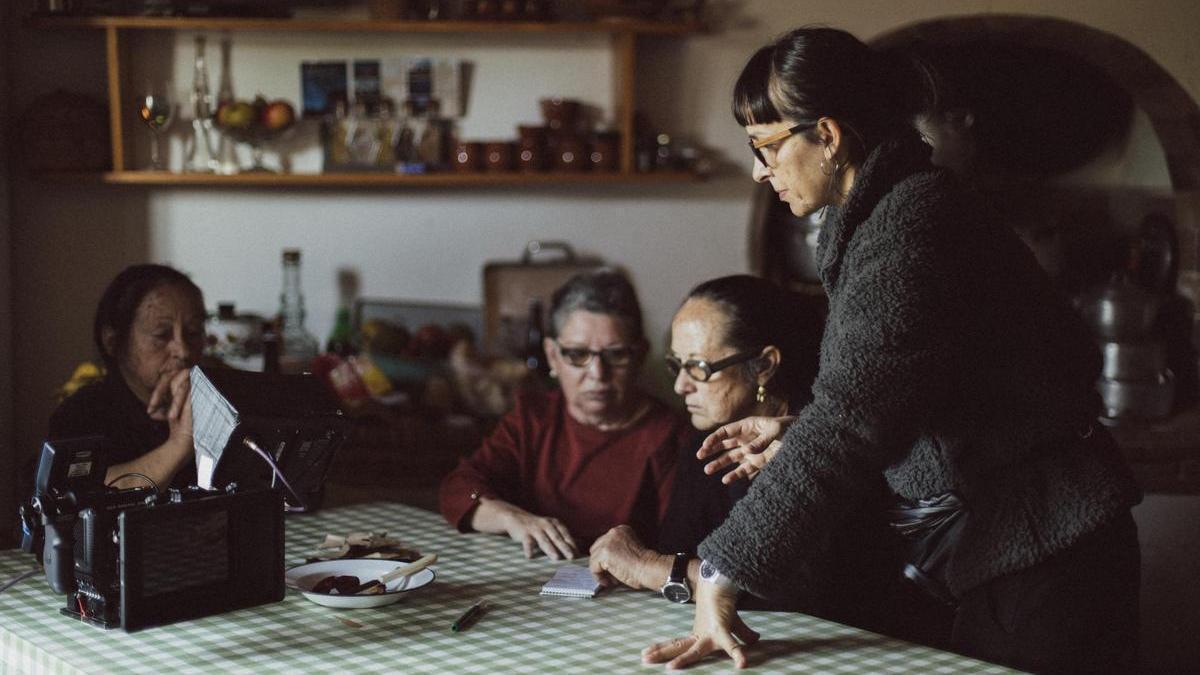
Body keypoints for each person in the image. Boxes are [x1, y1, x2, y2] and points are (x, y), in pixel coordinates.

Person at [640, 27, 1141, 674]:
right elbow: (911, 391)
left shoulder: (908, 231)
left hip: (1050, 545)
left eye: (766, 146)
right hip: (1028, 540)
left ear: (827, 134)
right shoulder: (894, 214)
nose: (760, 171)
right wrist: (800, 430)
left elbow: (852, 420)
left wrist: (721, 568)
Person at [588, 275, 898, 626]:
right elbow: (680, 548)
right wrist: (652, 563)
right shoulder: (705, 441)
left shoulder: (823, 446)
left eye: (699, 368)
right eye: (677, 364)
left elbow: (801, 597)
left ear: (764, 366)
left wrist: (651, 567)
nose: (679, 385)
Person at [438, 269, 690, 560]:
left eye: (616, 354)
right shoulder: (534, 418)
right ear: (552, 356)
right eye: (577, 355)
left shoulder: (670, 436)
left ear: (640, 355)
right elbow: (457, 489)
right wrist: (511, 517)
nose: (597, 374)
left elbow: (679, 551)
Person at [41, 264, 207, 493]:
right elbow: (71, 498)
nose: (184, 351)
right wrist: (179, 445)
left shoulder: (219, 403)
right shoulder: (83, 413)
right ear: (112, 341)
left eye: (194, 332)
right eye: (161, 335)